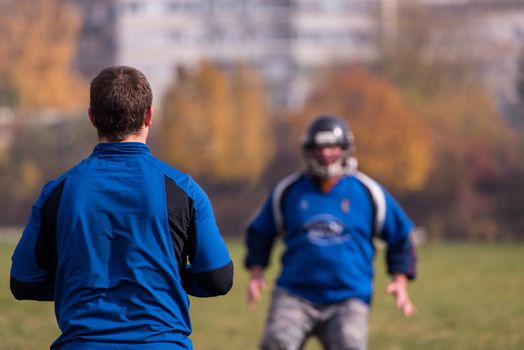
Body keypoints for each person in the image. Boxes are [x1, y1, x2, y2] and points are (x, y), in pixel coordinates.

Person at [10, 65, 233, 350]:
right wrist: (168, 277)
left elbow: (23, 281)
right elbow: (218, 278)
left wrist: (80, 282)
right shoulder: (184, 190)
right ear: (149, 115)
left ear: (92, 118)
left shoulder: (58, 191)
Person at [244, 115, 416, 350]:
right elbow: (260, 232)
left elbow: (400, 234)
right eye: (319, 148)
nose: (326, 154)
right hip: (295, 294)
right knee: (277, 343)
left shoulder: (367, 192)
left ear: (345, 149)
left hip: (349, 297)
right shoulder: (289, 191)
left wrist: (399, 280)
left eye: (332, 147)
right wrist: (256, 273)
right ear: (308, 151)